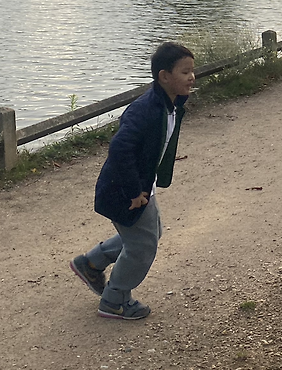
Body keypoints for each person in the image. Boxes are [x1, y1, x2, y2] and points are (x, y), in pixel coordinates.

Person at [70, 42, 195, 320]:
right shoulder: (145, 109)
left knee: (149, 233)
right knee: (142, 246)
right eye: (185, 72)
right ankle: (114, 300)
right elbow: (119, 149)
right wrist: (134, 191)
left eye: (192, 71)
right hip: (125, 189)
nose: (191, 77)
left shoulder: (170, 104)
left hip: (140, 184)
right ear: (164, 76)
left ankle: (92, 263)